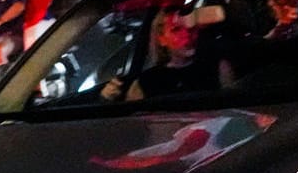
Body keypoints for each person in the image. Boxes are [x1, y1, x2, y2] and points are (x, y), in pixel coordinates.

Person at [101, 7, 236, 102]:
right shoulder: (146, 82)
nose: (187, 35)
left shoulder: (218, 67)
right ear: (162, 39)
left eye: (190, 27)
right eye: (176, 29)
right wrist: (105, 100)